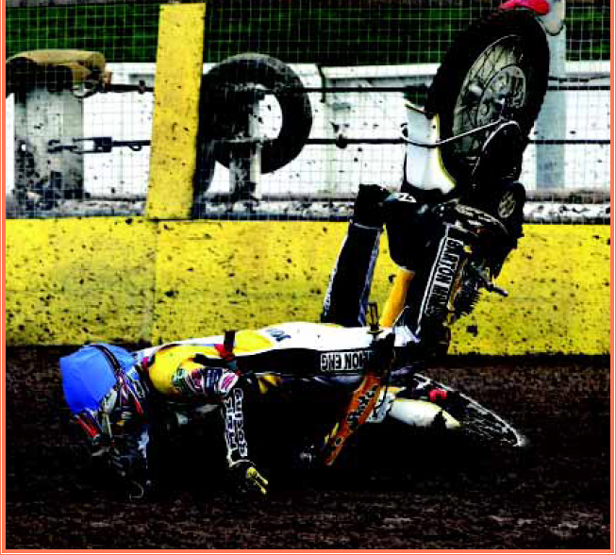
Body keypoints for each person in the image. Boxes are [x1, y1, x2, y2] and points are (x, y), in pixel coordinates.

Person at [60, 182, 522, 499]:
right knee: (346, 321)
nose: (114, 428)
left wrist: (237, 461)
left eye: (105, 415)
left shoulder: (162, 374)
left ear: (117, 389)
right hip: (294, 351)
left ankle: (453, 234)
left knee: (410, 345)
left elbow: (228, 388)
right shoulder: (151, 373)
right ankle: (369, 212)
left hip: (298, 360)